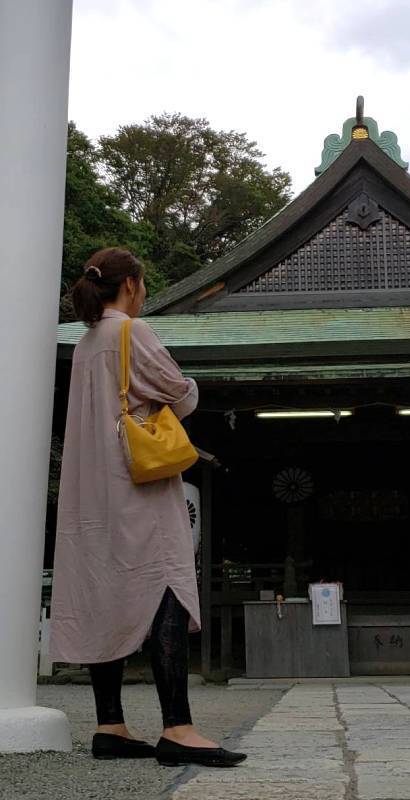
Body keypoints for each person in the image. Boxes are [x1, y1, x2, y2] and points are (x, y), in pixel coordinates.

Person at [49, 247, 246, 768]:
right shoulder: (132, 332)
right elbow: (181, 395)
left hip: (90, 486)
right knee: (167, 585)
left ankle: (109, 723)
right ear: (132, 284)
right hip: (137, 483)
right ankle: (178, 727)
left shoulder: (88, 341)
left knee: (104, 589)